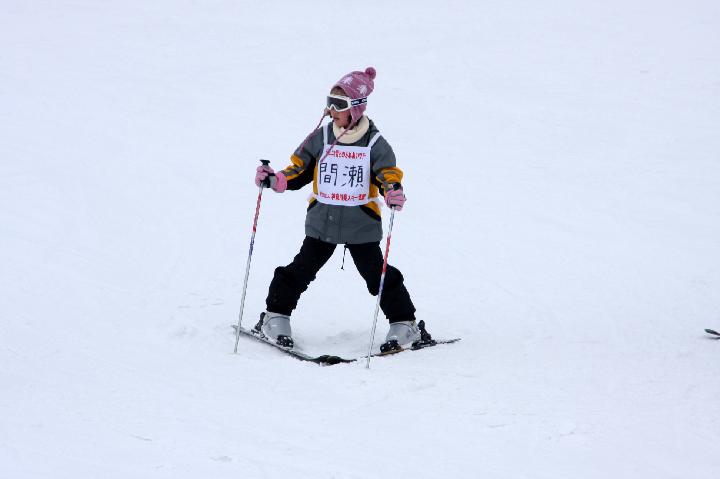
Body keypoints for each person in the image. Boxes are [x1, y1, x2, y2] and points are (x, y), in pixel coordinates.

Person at [253, 67, 419, 352]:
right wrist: (276, 179)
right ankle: (274, 316)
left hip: (361, 224)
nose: (331, 110)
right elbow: (299, 169)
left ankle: (404, 323)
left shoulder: (374, 143)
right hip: (322, 222)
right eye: (329, 101)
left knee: (377, 276)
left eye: (339, 104)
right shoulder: (321, 137)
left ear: (356, 107)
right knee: (301, 270)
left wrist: (393, 190)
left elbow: (387, 174)